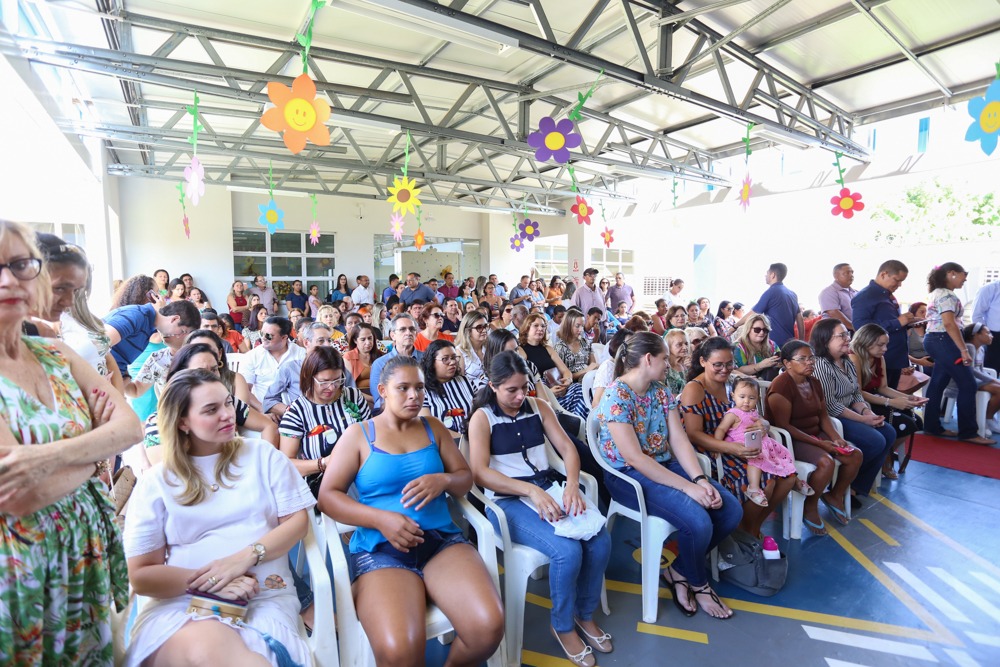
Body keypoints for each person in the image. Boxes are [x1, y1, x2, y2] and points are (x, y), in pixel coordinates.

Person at [0, 220, 141, 665]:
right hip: (24, 572)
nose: (9, 279)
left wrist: (48, 458)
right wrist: (94, 447)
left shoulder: (57, 354)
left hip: (85, 557)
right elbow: (21, 492)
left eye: (21, 264)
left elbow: (131, 429)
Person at [317, 355, 505, 667]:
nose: (414, 396)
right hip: (383, 551)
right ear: (383, 390)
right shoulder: (359, 435)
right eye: (403, 388)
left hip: (440, 542)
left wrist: (442, 479)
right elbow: (328, 497)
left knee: (488, 628)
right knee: (400, 653)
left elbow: (464, 479)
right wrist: (380, 519)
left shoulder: (433, 429)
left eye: (419, 388)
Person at [123, 369, 313, 666]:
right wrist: (211, 581)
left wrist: (245, 558)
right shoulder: (158, 482)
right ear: (182, 421)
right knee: (201, 646)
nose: (227, 414)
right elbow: (141, 575)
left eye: (227, 403)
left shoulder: (263, 456)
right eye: (212, 409)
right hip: (182, 602)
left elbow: (297, 523)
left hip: (264, 597)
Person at [469, 351, 612, 666]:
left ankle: (583, 614)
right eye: (512, 390)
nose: (521, 396)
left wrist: (572, 484)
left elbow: (567, 449)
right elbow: (479, 472)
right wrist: (530, 490)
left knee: (600, 541)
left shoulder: (539, 407)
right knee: (567, 551)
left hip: (549, 489)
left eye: (524, 388)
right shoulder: (482, 418)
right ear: (493, 386)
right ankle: (562, 625)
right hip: (506, 503)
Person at [596, 332, 740, 619]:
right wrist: (689, 490)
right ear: (648, 359)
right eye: (664, 359)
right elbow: (635, 458)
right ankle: (699, 584)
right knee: (698, 521)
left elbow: (679, 440)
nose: (670, 364)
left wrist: (699, 480)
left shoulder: (659, 391)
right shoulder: (616, 396)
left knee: (729, 510)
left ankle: (678, 571)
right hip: (628, 477)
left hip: (662, 466)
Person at [680, 337, 795, 539]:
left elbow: (753, 413)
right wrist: (731, 449)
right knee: (766, 481)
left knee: (789, 478)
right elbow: (694, 434)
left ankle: (751, 527)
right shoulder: (695, 389)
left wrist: (764, 425)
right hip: (713, 451)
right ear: (703, 362)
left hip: (740, 443)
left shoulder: (733, 382)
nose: (725, 369)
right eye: (717, 365)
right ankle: (746, 532)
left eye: (729, 364)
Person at [765, 341, 862, 534]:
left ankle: (835, 495)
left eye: (811, 358)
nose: (809, 363)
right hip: (791, 440)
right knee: (826, 462)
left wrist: (835, 438)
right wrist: (820, 444)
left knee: (855, 455)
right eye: (802, 359)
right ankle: (810, 506)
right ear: (787, 363)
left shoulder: (814, 382)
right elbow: (784, 427)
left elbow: (823, 416)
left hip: (815, 434)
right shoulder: (781, 387)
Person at [141, 343, 280, 461]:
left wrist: (265, 463)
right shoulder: (158, 422)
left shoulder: (229, 402)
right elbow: (166, 474)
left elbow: (268, 425)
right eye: (200, 371)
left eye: (214, 369)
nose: (210, 376)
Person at [811, 319, 895, 505]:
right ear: (825, 340)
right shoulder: (821, 365)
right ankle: (839, 486)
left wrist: (867, 412)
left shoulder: (846, 360)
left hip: (850, 412)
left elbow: (856, 393)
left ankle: (856, 487)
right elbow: (830, 406)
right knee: (875, 441)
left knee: (889, 432)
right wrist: (863, 420)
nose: (847, 339)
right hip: (832, 419)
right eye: (841, 336)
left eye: (846, 334)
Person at [278, 346, 371, 494]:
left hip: (364, 473)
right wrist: (323, 463)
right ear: (309, 378)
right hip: (324, 482)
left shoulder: (353, 397)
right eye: (324, 382)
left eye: (338, 380)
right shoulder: (297, 411)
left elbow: (371, 435)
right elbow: (287, 464)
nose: (332, 387)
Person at [922, 263, 995, 444]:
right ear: (951, 273)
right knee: (968, 384)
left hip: (936, 339)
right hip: (943, 340)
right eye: (964, 274)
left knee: (938, 384)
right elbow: (949, 324)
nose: (966, 279)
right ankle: (969, 432)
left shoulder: (938, 292)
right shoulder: (946, 294)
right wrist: (963, 349)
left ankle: (931, 426)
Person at [715, 376, 812, 506]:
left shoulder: (754, 412)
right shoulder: (733, 414)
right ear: (733, 396)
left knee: (783, 454)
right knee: (756, 459)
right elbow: (721, 429)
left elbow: (764, 423)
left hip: (765, 442)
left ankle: (796, 481)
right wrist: (716, 445)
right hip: (746, 445)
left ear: (757, 399)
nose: (746, 401)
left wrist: (764, 424)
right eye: (742, 396)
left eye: (751, 398)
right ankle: (753, 488)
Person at [849, 323, 927, 477]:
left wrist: (908, 398)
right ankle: (884, 457)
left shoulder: (879, 358)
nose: (884, 349)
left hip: (875, 399)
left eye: (885, 345)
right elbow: (857, 393)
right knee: (904, 423)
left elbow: (883, 387)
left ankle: (886, 453)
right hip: (859, 404)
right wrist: (890, 402)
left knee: (916, 421)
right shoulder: (854, 358)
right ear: (866, 341)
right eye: (880, 345)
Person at [263, 322, 350, 417]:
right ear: (306, 343)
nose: (327, 345)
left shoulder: (338, 367)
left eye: (329, 340)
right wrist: (294, 412)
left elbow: (350, 395)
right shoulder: (291, 368)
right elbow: (269, 400)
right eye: (321, 341)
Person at [851, 259, 914, 389]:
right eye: (897, 280)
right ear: (883, 274)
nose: (900, 284)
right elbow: (860, 326)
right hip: (880, 355)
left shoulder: (887, 295)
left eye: (902, 281)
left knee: (891, 394)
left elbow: (890, 320)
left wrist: (908, 322)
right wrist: (897, 322)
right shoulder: (865, 296)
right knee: (880, 396)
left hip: (894, 354)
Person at [104, 298, 200, 382]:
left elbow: (118, 357)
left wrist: (123, 378)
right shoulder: (137, 315)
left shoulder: (147, 330)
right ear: (174, 319)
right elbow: (98, 342)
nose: (179, 337)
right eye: (183, 331)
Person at [521, 312, 589, 419]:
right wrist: (548, 392)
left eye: (543, 326)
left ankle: (580, 425)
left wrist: (567, 381)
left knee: (580, 389)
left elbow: (566, 371)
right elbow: (527, 381)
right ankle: (576, 425)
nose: (541, 329)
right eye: (536, 325)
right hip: (543, 393)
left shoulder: (548, 349)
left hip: (559, 387)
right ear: (527, 328)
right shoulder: (521, 350)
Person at [239, 316, 306, 403]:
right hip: (263, 410)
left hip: (296, 409)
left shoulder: (301, 354)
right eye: (262, 333)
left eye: (269, 335)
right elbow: (244, 391)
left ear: (284, 337)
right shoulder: (252, 356)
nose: (263, 338)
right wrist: (263, 410)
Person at [738, 263, 803, 346]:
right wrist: (801, 340)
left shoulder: (771, 292)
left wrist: (735, 326)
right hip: (790, 342)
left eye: (767, 273)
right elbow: (799, 318)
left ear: (773, 275)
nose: (765, 276)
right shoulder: (792, 294)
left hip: (774, 343)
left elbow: (753, 314)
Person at [419, 339, 476, 436]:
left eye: (454, 357)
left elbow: (481, 410)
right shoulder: (423, 390)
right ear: (432, 363)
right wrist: (461, 439)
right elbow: (427, 427)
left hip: (475, 437)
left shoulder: (466, 381)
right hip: (444, 443)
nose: (452, 362)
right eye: (445, 359)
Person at [369, 314, 425, 411]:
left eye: (412, 329)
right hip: (394, 412)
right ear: (393, 335)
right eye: (403, 329)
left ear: (416, 334)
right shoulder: (380, 364)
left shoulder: (426, 358)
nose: (408, 333)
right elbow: (380, 400)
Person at [591, 328, 633, 408]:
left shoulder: (628, 367)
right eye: (628, 345)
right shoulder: (608, 367)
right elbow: (596, 403)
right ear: (618, 345)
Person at [731, 314, 781, 381]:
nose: (762, 333)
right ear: (748, 329)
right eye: (757, 330)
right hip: (747, 384)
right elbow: (734, 370)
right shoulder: (737, 347)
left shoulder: (772, 345)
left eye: (765, 330)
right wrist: (760, 365)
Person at [555, 309, 599, 383]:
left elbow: (593, 364)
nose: (581, 330)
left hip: (589, 380)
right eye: (577, 326)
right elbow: (562, 377)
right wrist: (586, 371)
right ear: (568, 325)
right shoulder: (560, 347)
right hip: (573, 385)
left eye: (582, 326)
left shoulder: (585, 342)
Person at [343, 323, 383, 398]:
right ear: (355, 340)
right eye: (363, 339)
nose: (368, 342)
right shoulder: (348, 357)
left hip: (381, 394)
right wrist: (372, 399)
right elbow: (348, 388)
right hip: (359, 397)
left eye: (370, 338)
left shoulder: (380, 355)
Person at [818, 263, 857, 331]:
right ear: (836, 275)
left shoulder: (856, 292)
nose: (851, 275)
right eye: (847, 273)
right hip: (836, 333)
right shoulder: (829, 292)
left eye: (852, 272)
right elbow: (833, 313)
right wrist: (854, 327)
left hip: (855, 331)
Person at [456, 311, 490, 387]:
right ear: (468, 331)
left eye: (485, 326)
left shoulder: (489, 346)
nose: (484, 330)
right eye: (479, 328)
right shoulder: (460, 351)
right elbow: (460, 383)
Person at [973, 279, 1000, 374]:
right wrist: (986, 334)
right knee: (993, 371)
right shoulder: (990, 289)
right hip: (994, 336)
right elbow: (976, 315)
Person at [662, 329, 691, 397]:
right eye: (679, 345)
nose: (685, 347)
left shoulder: (688, 364)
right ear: (668, 347)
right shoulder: (664, 367)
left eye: (686, 344)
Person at [906, 302, 933, 372]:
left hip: (932, 362)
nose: (925, 314)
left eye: (927, 312)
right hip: (916, 364)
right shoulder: (908, 331)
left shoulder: (932, 330)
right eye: (922, 312)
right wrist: (919, 361)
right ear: (913, 314)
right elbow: (901, 353)